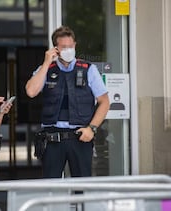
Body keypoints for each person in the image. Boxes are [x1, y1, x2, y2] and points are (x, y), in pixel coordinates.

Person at [25, 26, 110, 178]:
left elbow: (104, 102)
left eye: (71, 46)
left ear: (75, 45)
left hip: (80, 137)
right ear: (55, 49)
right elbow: (31, 91)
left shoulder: (88, 69)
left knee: (82, 186)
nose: (68, 50)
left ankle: (81, 203)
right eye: (64, 47)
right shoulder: (46, 69)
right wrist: (45, 64)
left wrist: (92, 128)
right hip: (52, 139)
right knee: (52, 187)